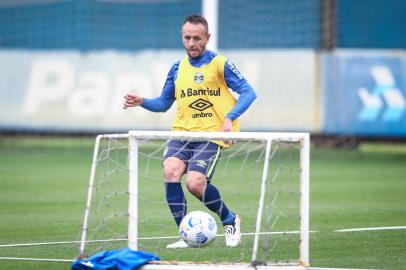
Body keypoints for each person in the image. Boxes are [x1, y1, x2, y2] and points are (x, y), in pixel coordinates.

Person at [123, 14, 256, 248]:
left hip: (211, 135)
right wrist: (142, 100)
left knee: (195, 183)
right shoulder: (177, 68)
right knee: (171, 171)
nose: (192, 43)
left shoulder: (219, 64)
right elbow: (164, 103)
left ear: (207, 38)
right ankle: (186, 234)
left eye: (197, 38)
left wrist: (229, 119)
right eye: (187, 37)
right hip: (182, 133)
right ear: (182, 37)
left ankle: (229, 219)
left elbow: (248, 92)